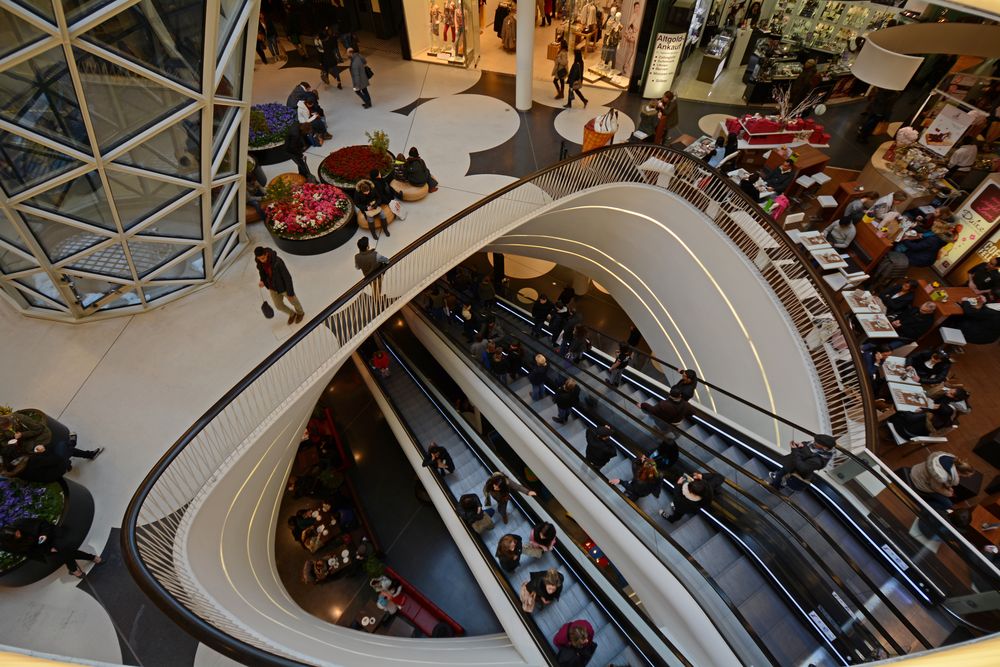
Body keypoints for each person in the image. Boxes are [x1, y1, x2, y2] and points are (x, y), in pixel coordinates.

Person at [0, 518, 102, 578]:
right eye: (16, 536)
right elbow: (32, 551)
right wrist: (48, 549)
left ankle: (74, 569)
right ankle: (90, 558)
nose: (19, 534)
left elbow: (44, 524)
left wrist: (44, 535)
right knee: (66, 553)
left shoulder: (22, 523)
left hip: (51, 536)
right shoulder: (14, 546)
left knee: (66, 552)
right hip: (44, 548)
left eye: (18, 532)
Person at [907, 450, 975, 513]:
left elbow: (939, 482)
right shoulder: (941, 475)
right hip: (920, 481)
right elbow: (935, 487)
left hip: (918, 471)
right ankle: (924, 510)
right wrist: (948, 493)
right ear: (962, 473)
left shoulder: (948, 460)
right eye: (968, 476)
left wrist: (948, 488)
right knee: (948, 504)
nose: (968, 477)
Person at [889, 391, 966, 443]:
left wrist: (904, 411)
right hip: (918, 433)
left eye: (938, 406)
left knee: (897, 412)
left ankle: (889, 434)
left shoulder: (928, 415)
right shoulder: (944, 419)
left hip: (906, 433)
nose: (936, 406)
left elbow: (909, 418)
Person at [768, 434, 836, 491]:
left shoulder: (817, 462)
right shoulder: (817, 448)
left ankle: (774, 488)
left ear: (825, 448)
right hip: (792, 463)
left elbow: (801, 467)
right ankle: (780, 480)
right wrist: (801, 444)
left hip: (794, 469)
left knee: (780, 475)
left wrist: (795, 450)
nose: (813, 443)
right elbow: (808, 445)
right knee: (781, 473)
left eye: (815, 443)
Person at [255, 246, 303, 325]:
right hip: (272, 287)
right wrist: (262, 280)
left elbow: (287, 277)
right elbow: (262, 273)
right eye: (259, 259)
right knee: (278, 305)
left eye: (263, 258)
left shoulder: (277, 262)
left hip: (283, 287)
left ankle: (300, 313)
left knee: (294, 301)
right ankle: (292, 314)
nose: (262, 261)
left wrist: (290, 292)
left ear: (266, 254)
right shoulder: (259, 263)